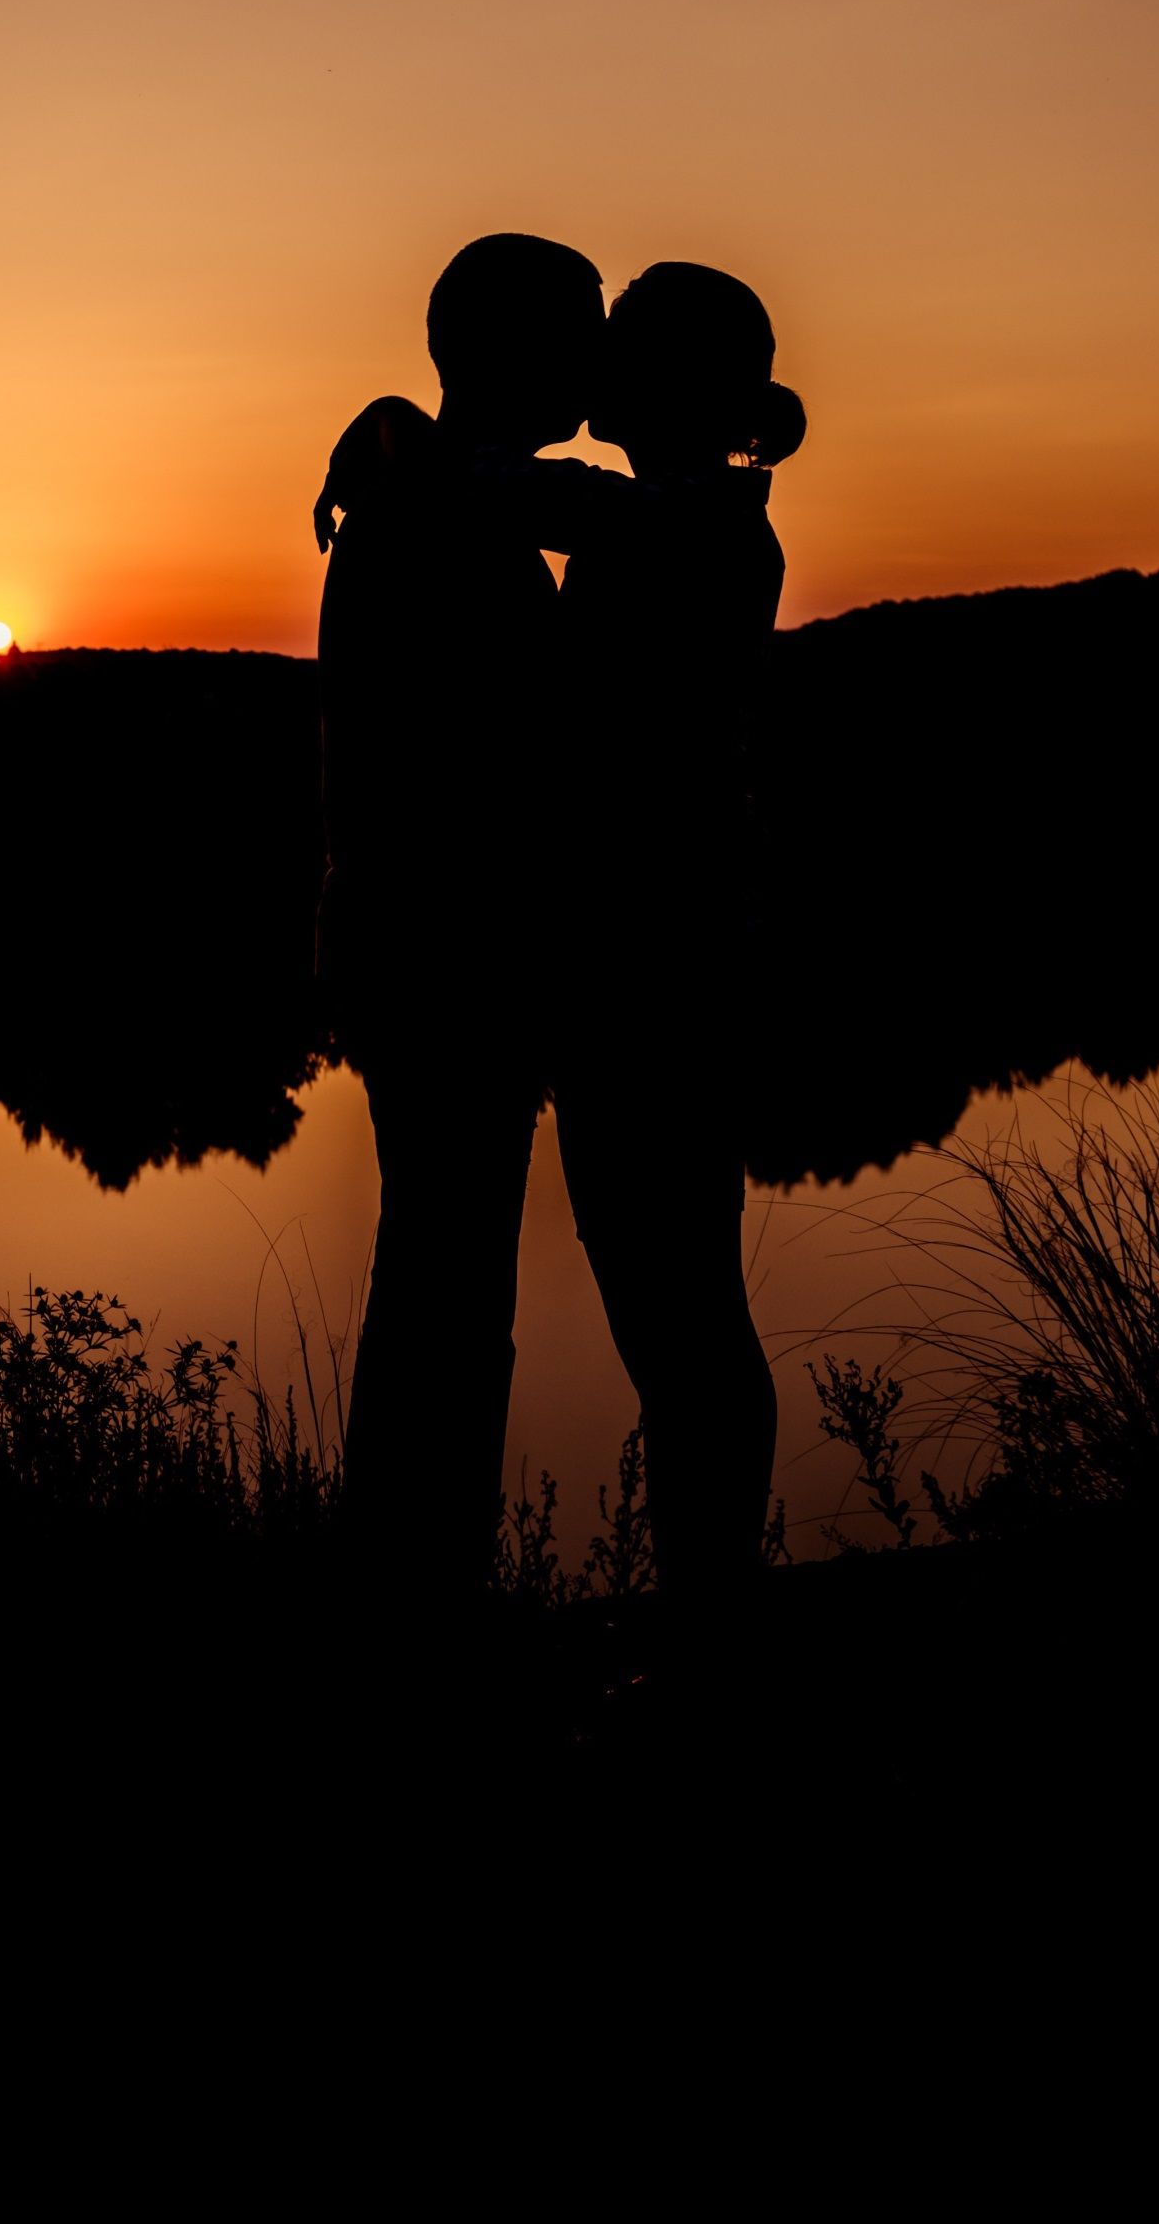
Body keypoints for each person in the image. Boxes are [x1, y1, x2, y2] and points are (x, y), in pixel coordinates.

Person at [311, 233, 602, 1580]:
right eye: (579, 327)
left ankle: (416, 1588)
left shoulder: (427, 486)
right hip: (448, 958)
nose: (596, 355)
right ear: (504, 347)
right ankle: (417, 1601)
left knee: (443, 1279)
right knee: (446, 1284)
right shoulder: (430, 505)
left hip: (435, 949)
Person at [538, 262, 806, 1601]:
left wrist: (411, 439)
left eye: (623, 351)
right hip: (652, 955)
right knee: (676, 1303)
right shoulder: (678, 518)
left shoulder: (694, 529)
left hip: (660, 964)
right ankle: (712, 1620)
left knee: (681, 1310)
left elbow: (538, 498)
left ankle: (712, 1631)